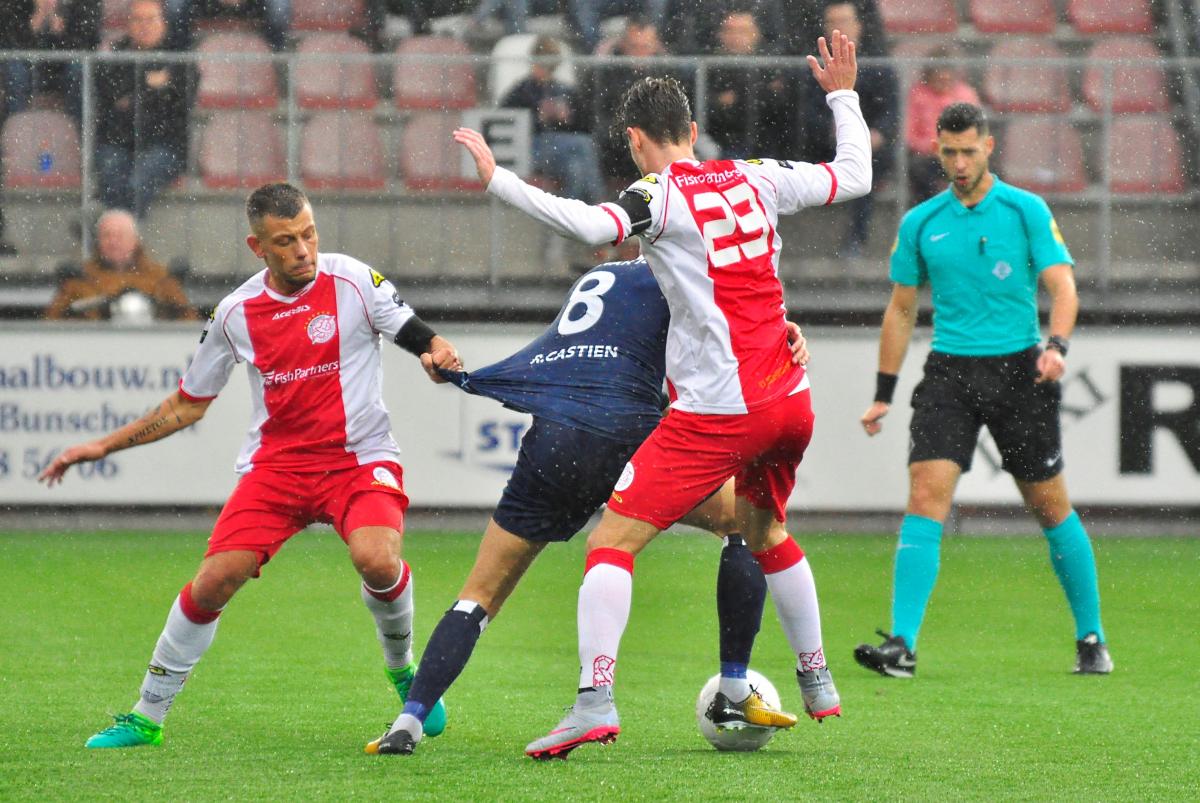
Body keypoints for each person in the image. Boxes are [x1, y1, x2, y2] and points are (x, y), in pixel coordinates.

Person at [453, 30, 870, 758]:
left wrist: (498, 178)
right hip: (790, 399)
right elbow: (855, 174)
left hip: (723, 410)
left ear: (638, 139)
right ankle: (818, 677)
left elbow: (591, 225)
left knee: (612, 540)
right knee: (765, 529)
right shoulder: (758, 174)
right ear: (696, 132)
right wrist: (842, 94)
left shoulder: (657, 194)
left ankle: (594, 700)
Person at [39, 182, 459, 748]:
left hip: (358, 460)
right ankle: (146, 716)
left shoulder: (354, 280)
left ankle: (406, 673)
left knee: (378, 561)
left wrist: (437, 351)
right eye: (285, 241)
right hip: (277, 470)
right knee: (213, 581)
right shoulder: (236, 313)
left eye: (308, 234)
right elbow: (188, 404)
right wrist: (103, 447)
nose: (303, 250)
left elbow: (414, 332)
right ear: (257, 246)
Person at [365, 258, 810, 755]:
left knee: (480, 594)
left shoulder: (601, 277)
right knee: (743, 523)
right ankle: (730, 687)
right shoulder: (684, 275)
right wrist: (786, 335)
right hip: (629, 433)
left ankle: (410, 719)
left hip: (554, 442)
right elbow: (734, 348)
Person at [854, 102, 1113, 679]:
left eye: (969, 150)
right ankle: (902, 644)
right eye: (949, 152)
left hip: (1021, 371)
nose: (959, 162)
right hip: (950, 372)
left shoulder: (1024, 210)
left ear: (989, 146)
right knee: (926, 495)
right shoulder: (922, 222)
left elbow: (1063, 289)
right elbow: (900, 311)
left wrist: (1057, 347)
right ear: (938, 152)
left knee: (1050, 507)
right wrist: (884, 393)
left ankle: (1091, 635)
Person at [797, 1, 895, 256]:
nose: (838, 29)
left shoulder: (879, 66)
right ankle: (804, 246)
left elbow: (890, 112)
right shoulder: (813, 67)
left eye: (844, 22)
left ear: (859, 26)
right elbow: (806, 113)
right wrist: (832, 130)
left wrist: (877, 134)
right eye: (833, 23)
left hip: (872, 149)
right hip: (824, 145)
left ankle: (856, 239)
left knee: (865, 168)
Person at [95, 0, 191, 220]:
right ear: (127, 23)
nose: (144, 25)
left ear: (164, 23)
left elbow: (180, 102)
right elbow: (111, 96)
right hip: (118, 141)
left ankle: (106, 232)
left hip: (165, 145)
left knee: (139, 181)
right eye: (137, 19)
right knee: (111, 173)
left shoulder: (180, 57)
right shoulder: (114, 54)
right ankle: (123, 238)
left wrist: (136, 94)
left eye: (151, 19)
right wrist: (151, 86)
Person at [500, 35, 605, 205]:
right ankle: (599, 202)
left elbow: (584, 124)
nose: (543, 70)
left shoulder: (565, 91)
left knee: (576, 170)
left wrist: (567, 119)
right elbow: (506, 124)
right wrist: (536, 118)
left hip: (560, 153)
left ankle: (566, 223)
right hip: (531, 147)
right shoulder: (521, 92)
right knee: (583, 144)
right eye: (541, 64)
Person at [45, 209, 199, 321]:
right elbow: (52, 323)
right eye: (107, 235)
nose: (113, 242)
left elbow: (188, 321)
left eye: (120, 236)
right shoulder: (80, 279)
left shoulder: (162, 278)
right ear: (98, 241)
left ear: (135, 241)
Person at [704, 11, 799, 158]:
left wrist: (736, 98)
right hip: (722, 143)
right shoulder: (708, 67)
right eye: (729, 30)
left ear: (757, 33)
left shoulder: (772, 65)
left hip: (768, 146)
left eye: (742, 31)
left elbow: (780, 106)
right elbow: (704, 105)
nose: (735, 37)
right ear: (720, 34)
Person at [905, 46, 980, 203]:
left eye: (948, 78)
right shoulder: (918, 95)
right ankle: (931, 211)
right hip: (927, 156)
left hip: (961, 153)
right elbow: (909, 134)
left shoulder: (965, 94)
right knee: (919, 172)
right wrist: (932, 147)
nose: (944, 82)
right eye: (938, 79)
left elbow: (976, 130)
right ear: (929, 76)